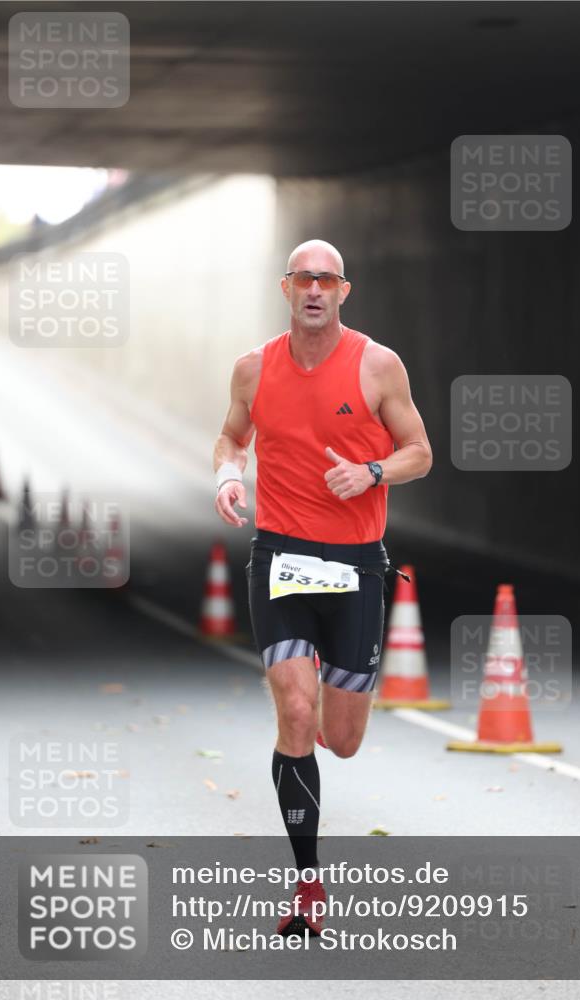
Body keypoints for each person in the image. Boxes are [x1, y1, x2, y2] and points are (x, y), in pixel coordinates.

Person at [213, 239, 432, 937]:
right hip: (279, 556)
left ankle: (325, 720)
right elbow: (231, 437)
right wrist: (228, 475)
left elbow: (420, 453)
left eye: (326, 280)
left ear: (343, 291)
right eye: (303, 278)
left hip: (356, 565)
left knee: (341, 738)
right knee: (296, 709)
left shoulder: (377, 365)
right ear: (286, 288)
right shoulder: (253, 368)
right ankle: (307, 882)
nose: (314, 290)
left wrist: (371, 473)